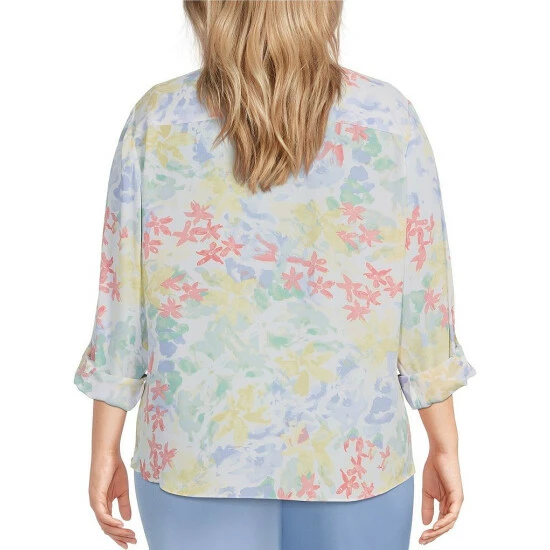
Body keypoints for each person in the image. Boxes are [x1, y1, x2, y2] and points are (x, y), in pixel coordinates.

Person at [73, 1, 477, 549]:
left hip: (198, 452)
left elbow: (121, 301)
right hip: (353, 451)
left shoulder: (157, 119)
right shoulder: (387, 118)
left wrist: (104, 447)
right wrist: (444, 442)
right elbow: (423, 299)